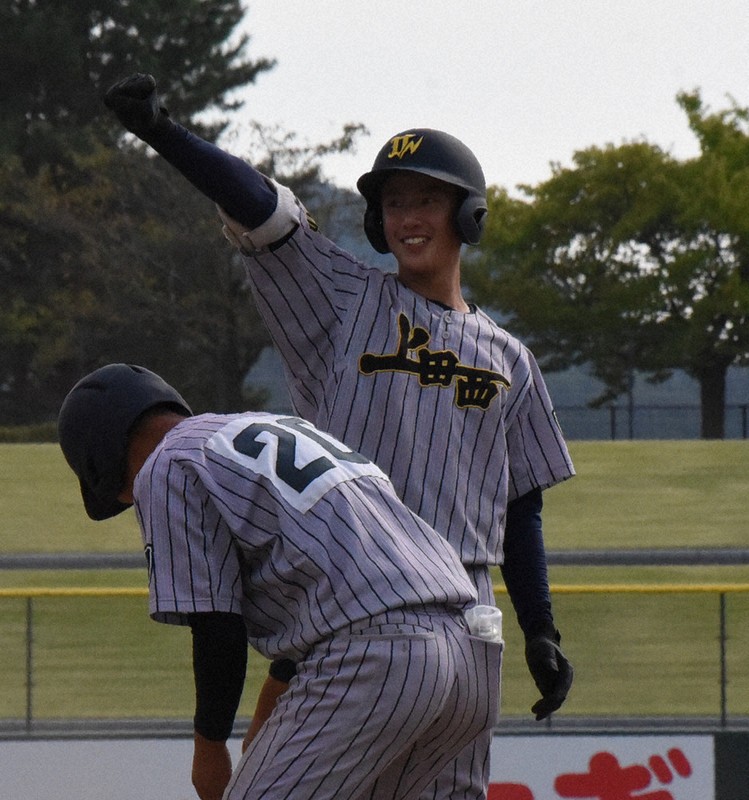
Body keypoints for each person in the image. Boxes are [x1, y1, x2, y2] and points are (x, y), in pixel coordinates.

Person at [103, 74, 575, 799]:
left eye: (426, 198)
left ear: (468, 214)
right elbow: (262, 210)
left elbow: (522, 509)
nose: (407, 217)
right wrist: (167, 135)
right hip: (345, 619)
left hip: (466, 625)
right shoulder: (343, 299)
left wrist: (541, 628)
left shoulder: (510, 359)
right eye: (392, 203)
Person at [57, 362, 501, 800]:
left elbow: (217, 626)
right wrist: (268, 719)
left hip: (381, 658)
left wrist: (209, 749)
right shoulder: (277, 430)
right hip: (471, 653)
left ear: (103, 459)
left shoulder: (168, 462)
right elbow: (336, 587)